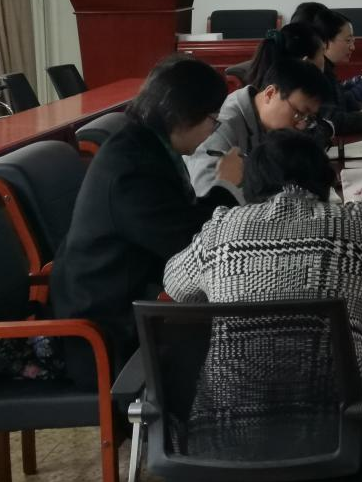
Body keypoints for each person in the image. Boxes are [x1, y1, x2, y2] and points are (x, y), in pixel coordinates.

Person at [164, 129, 362, 460]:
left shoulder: (219, 231)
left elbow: (174, 285)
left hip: (226, 439)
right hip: (343, 438)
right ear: (323, 179)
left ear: (251, 183)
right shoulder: (357, 225)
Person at [52, 56, 244, 387]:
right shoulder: (132, 168)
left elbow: (183, 221)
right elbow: (191, 243)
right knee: (236, 350)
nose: (213, 132)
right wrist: (225, 185)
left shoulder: (144, 145)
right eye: (213, 120)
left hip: (135, 303)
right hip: (105, 334)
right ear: (183, 115)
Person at [187, 57, 327, 202]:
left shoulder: (273, 127)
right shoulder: (222, 125)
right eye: (299, 113)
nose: (302, 125)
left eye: (309, 118)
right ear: (270, 93)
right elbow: (206, 194)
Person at [292, 1, 362, 108]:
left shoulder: (321, 67)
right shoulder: (305, 72)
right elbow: (337, 107)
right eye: (348, 40)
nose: (353, 47)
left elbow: (337, 95)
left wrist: (361, 80)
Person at [311, 7, 362, 134]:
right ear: (326, 42)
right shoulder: (315, 74)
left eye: (353, 41)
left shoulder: (327, 69)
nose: (353, 47)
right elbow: (330, 121)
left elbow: (339, 98)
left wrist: (359, 107)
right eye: (348, 41)